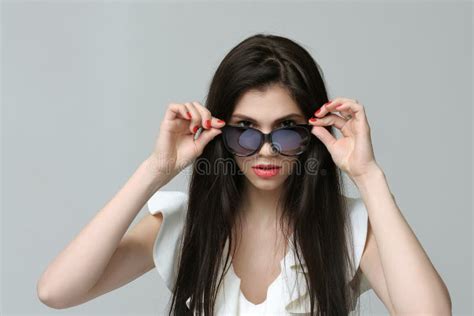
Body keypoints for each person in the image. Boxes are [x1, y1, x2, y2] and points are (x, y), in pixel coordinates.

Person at [37, 33, 452, 315]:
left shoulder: (348, 228)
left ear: (313, 134)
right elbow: (56, 291)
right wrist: (156, 169)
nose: (267, 150)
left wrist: (369, 175)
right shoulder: (186, 225)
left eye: (287, 131)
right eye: (246, 131)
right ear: (220, 131)